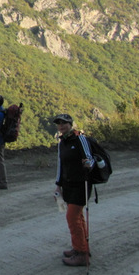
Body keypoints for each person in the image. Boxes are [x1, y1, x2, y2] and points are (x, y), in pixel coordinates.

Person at [53, 113, 95, 266]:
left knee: (72, 217)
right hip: (69, 184)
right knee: (78, 217)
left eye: (64, 123)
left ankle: (81, 253)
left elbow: (90, 158)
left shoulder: (80, 139)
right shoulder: (62, 142)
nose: (61, 126)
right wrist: (58, 185)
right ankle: (82, 247)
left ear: (70, 124)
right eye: (59, 123)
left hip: (81, 183)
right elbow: (60, 164)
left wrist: (88, 164)